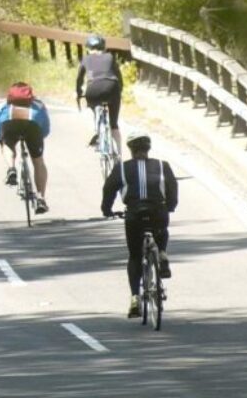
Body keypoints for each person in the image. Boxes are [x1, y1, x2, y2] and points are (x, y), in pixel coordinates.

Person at [102, 130, 179, 318]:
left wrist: (107, 210)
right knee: (162, 230)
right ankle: (161, 252)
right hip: (158, 211)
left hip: (134, 213)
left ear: (131, 150)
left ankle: (135, 297)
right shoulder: (163, 165)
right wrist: (170, 207)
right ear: (148, 148)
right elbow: (172, 189)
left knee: (135, 256)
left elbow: (109, 189)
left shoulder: (122, 168)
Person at [0, 82, 51, 214]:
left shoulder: (2, 105)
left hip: (9, 123)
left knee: (7, 145)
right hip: (32, 126)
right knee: (38, 162)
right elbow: (46, 129)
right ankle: (41, 198)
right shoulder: (39, 105)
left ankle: (11, 168)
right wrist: (38, 141)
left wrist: (2, 142)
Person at [76, 34, 123, 152]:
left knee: (92, 106)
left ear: (88, 48)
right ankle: (119, 158)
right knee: (114, 125)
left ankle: (96, 128)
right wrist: (120, 89)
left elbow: (79, 79)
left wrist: (78, 92)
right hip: (111, 86)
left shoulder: (85, 59)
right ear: (103, 47)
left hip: (93, 89)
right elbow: (118, 76)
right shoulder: (110, 57)